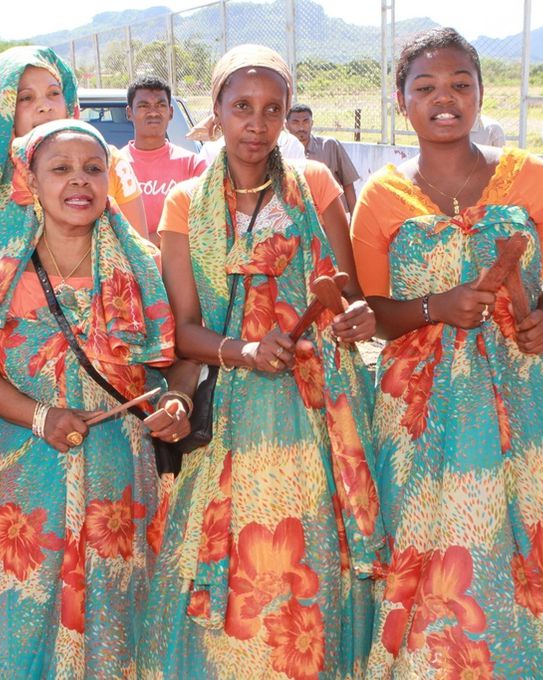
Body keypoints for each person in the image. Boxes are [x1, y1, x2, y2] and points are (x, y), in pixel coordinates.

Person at [138, 45, 386, 678]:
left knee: (310, 558)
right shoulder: (186, 203)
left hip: (315, 408)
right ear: (215, 111)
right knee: (236, 566)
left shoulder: (315, 186)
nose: (257, 123)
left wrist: (352, 315)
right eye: (241, 107)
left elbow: (346, 290)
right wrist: (243, 350)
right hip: (228, 414)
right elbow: (181, 330)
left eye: (272, 109)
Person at [350, 28, 543, 677]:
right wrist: (435, 308)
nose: (443, 99)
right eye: (424, 87)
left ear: (481, 93)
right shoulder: (381, 196)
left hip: (515, 394)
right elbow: (375, 312)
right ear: (401, 101)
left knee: (509, 541)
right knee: (416, 550)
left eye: (459, 84)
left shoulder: (529, 176)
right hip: (414, 412)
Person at [0, 119, 193, 677]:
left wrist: (177, 402)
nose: (79, 181)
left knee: (119, 610)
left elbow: (175, 359)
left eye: (93, 169)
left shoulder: (142, 264)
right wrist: (40, 415)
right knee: (14, 614)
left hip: (120, 474)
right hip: (26, 473)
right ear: (30, 180)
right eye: (60, 169)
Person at [0, 45, 148, 237]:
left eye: (54, 93)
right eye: (25, 98)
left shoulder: (107, 162)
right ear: (0, 110)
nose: (45, 106)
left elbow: (141, 254)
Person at [123, 75, 207, 243]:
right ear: (129, 113)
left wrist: (144, 242)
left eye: (160, 105)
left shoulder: (193, 165)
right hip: (128, 267)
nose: (153, 112)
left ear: (171, 112)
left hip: (180, 266)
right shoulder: (115, 165)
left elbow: (204, 224)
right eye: (143, 105)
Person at [285, 103, 360, 212]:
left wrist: (354, 219)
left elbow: (348, 184)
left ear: (312, 123)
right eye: (295, 122)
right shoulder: (281, 152)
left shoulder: (330, 146)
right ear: (287, 125)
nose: (301, 127)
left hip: (334, 215)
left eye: (306, 121)